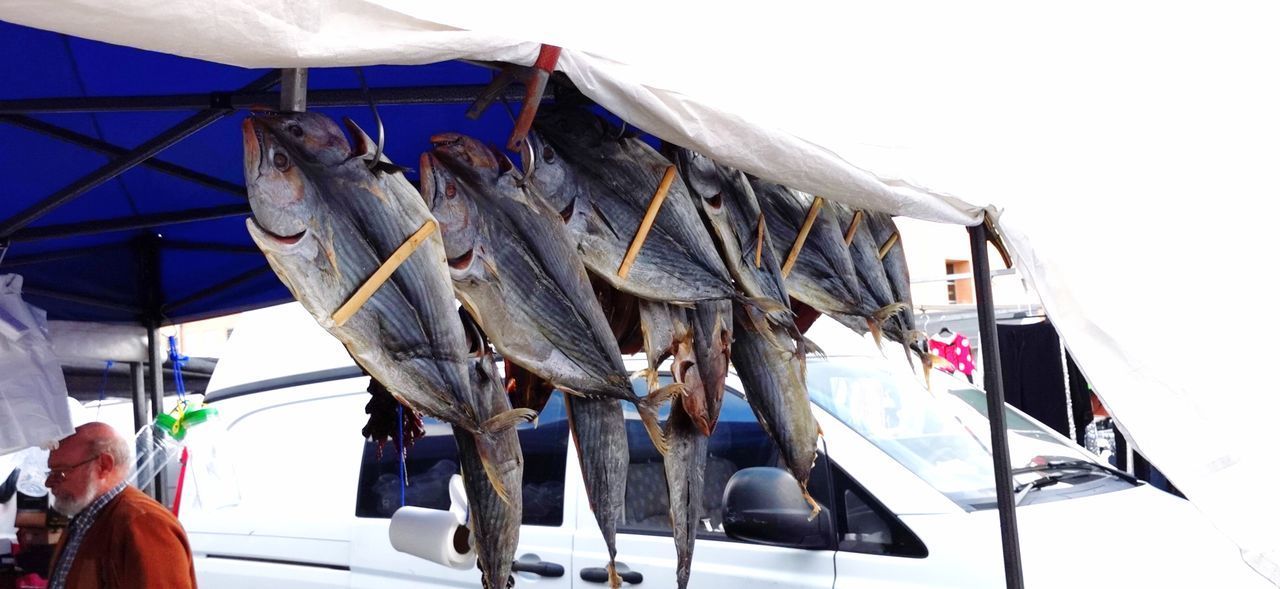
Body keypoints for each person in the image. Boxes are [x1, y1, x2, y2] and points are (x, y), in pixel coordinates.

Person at [42, 422, 196, 588]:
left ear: (104, 465)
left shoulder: (144, 522)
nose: (48, 483)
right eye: (51, 473)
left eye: (60, 473)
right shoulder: (85, 520)